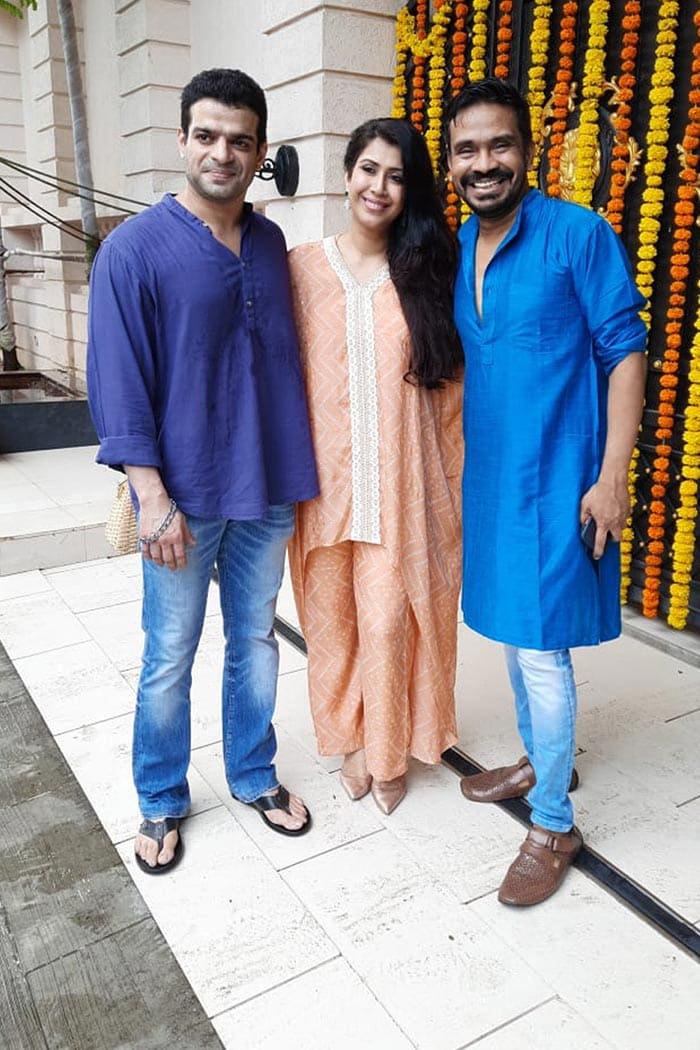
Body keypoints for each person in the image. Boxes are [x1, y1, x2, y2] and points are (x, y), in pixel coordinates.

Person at [87, 68, 319, 874]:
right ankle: (159, 797)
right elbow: (118, 381)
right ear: (182, 139)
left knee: (253, 640)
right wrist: (150, 497)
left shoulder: (269, 242)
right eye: (208, 135)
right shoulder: (133, 250)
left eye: (240, 140)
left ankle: (253, 773)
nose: (224, 152)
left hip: (266, 486)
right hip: (182, 494)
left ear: (260, 153)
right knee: (169, 652)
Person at [446, 78, 647, 905]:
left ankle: (554, 819)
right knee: (510, 633)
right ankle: (541, 759)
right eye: (467, 149)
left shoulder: (578, 235)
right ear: (452, 161)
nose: (484, 163)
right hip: (492, 479)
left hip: (562, 480)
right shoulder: (459, 245)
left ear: (527, 151)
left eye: (499, 145)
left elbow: (626, 352)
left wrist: (612, 478)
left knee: (540, 647)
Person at [287, 118, 464, 815]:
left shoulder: (426, 275)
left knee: (389, 622)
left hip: (399, 490)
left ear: (409, 188)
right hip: (324, 489)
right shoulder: (302, 269)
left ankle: (387, 754)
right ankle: (352, 737)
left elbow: (451, 396)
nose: (379, 186)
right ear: (347, 173)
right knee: (332, 625)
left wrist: (450, 487)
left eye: (395, 175)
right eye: (368, 169)